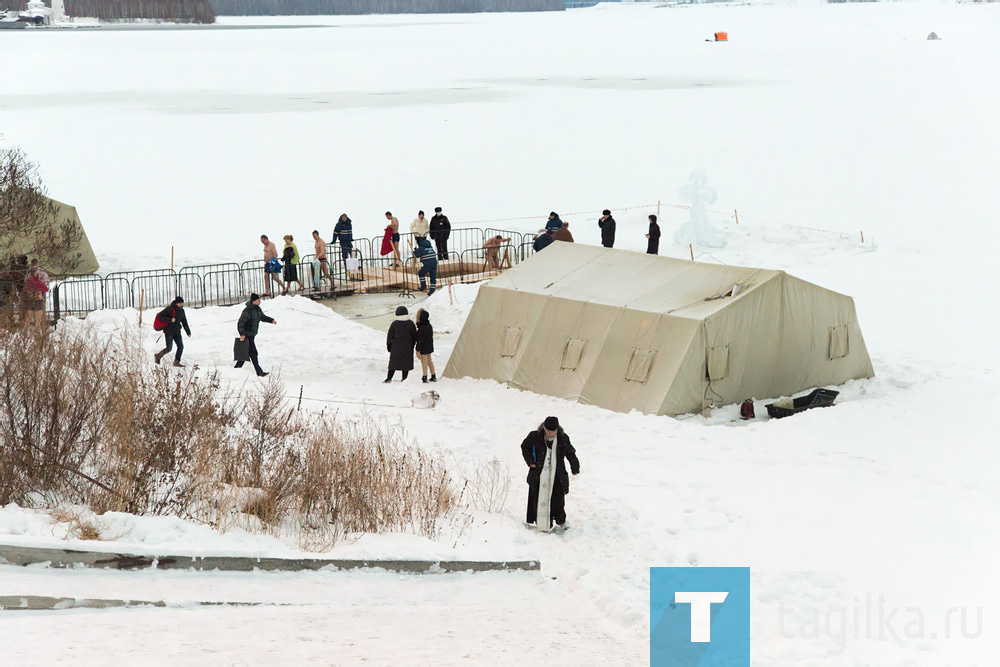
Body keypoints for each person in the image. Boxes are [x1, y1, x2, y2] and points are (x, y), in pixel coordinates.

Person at [520, 416, 580, 531]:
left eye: (553, 431)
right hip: (538, 473)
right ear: (544, 428)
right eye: (548, 431)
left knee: (558, 499)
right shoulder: (535, 436)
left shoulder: (563, 438)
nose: (550, 433)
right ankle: (534, 521)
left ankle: (561, 521)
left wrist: (575, 467)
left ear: (557, 429)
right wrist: (530, 462)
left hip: (557, 475)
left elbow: (570, 453)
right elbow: (525, 447)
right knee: (535, 497)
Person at [236, 293, 277, 377]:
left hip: (252, 335)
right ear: (254, 301)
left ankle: (236, 369)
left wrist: (271, 320)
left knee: (245, 353)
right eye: (258, 300)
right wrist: (242, 333)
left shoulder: (257, 309)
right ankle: (259, 372)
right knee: (253, 353)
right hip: (247, 335)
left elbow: (263, 317)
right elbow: (241, 323)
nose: (260, 302)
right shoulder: (247, 311)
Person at [153, 296, 191, 367]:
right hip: (169, 331)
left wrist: (188, 332)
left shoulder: (182, 311)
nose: (180, 305)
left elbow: (184, 321)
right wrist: (170, 320)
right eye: (179, 303)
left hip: (177, 331)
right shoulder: (169, 309)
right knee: (169, 348)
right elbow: (160, 316)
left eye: (181, 303)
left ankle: (176, 362)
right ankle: (158, 356)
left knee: (181, 347)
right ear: (176, 303)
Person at [385, 305, 417, 383]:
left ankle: (389, 378)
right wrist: (412, 346)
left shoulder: (394, 324)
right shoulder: (411, 323)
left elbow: (389, 336)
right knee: (405, 365)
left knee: (393, 364)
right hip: (407, 348)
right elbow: (414, 336)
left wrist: (389, 346)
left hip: (396, 348)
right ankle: (404, 378)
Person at [22, 263, 48, 329]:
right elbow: (46, 289)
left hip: (30, 300)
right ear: (36, 274)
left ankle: (24, 332)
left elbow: (25, 289)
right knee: (38, 321)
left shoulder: (28, 281)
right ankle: (37, 334)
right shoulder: (38, 282)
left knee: (28, 318)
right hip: (38, 301)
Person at [415, 308, 436, 383]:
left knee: (424, 362)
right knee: (429, 361)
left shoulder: (421, 328)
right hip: (429, 346)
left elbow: (420, 340)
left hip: (423, 348)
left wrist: (418, 350)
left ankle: (424, 376)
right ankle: (433, 375)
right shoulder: (429, 325)